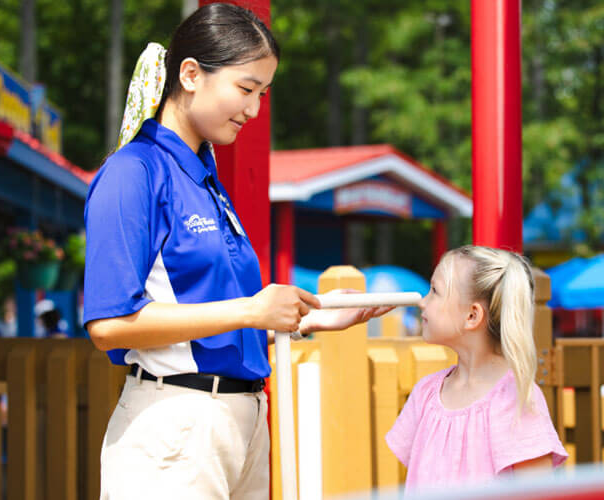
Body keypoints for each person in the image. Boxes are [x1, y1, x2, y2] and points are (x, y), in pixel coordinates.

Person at [83, 4, 390, 499]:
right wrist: (252, 309)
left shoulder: (205, 179)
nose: (254, 109)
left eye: (263, 94)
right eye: (245, 89)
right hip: (176, 425)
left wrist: (308, 319)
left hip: (242, 421)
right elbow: (109, 325)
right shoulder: (133, 171)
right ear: (190, 74)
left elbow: (216, 315)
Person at [386, 246, 567, 494]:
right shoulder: (426, 393)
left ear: (472, 315)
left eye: (435, 291)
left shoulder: (516, 399)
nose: (422, 300)